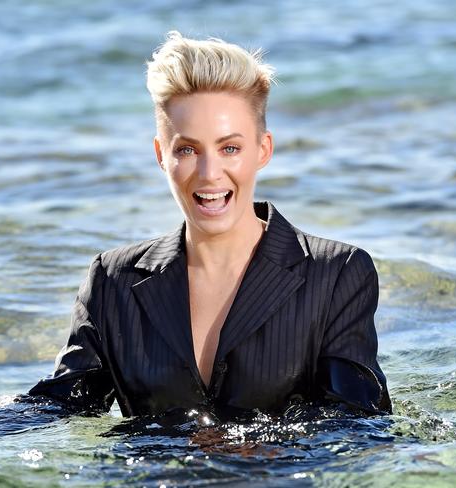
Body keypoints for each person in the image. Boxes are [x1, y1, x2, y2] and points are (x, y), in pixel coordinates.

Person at [29, 31, 392, 418]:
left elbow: (355, 424)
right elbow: (57, 406)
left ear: (263, 150)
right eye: (187, 150)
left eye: (229, 148)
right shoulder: (112, 281)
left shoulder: (336, 274)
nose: (209, 174)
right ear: (160, 155)